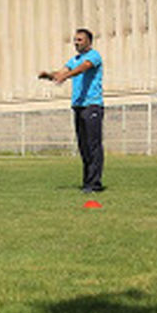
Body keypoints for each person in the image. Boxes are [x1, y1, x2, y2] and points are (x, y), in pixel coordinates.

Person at [39, 29, 104, 193]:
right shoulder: (74, 60)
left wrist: (66, 76)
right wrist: (49, 75)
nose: (76, 42)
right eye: (75, 40)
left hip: (92, 105)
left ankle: (95, 183)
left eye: (80, 40)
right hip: (78, 106)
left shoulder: (93, 56)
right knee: (83, 146)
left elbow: (84, 68)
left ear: (89, 41)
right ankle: (87, 182)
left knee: (93, 145)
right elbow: (62, 72)